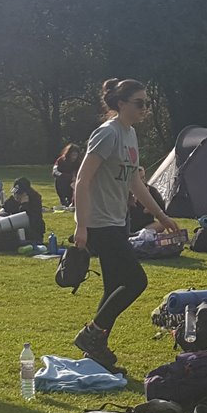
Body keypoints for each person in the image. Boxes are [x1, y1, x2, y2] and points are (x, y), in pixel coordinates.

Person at [71, 79, 179, 372]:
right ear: (121, 104)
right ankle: (91, 334)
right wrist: (82, 225)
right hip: (99, 222)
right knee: (135, 281)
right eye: (139, 103)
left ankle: (95, 351)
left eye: (147, 103)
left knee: (113, 287)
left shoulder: (129, 134)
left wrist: (161, 216)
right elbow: (82, 180)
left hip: (118, 220)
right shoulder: (108, 133)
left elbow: (135, 182)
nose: (145, 108)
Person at [0, 177, 46, 243]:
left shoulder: (35, 200)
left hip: (32, 231)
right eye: (15, 193)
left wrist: (24, 204)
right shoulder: (13, 199)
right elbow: (4, 209)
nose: (16, 195)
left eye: (19, 194)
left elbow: (28, 219)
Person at [127, 166, 166, 234]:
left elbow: (162, 207)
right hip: (132, 224)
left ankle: (141, 233)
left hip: (148, 224)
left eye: (144, 177)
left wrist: (152, 209)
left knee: (162, 225)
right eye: (140, 178)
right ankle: (138, 234)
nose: (143, 180)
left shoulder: (152, 190)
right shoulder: (127, 191)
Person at [52, 143, 81, 208]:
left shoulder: (78, 162)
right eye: (72, 155)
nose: (74, 157)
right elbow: (55, 172)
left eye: (76, 155)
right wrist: (69, 177)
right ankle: (63, 201)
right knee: (59, 181)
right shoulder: (60, 160)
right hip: (62, 182)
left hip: (74, 183)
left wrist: (76, 178)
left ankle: (72, 201)